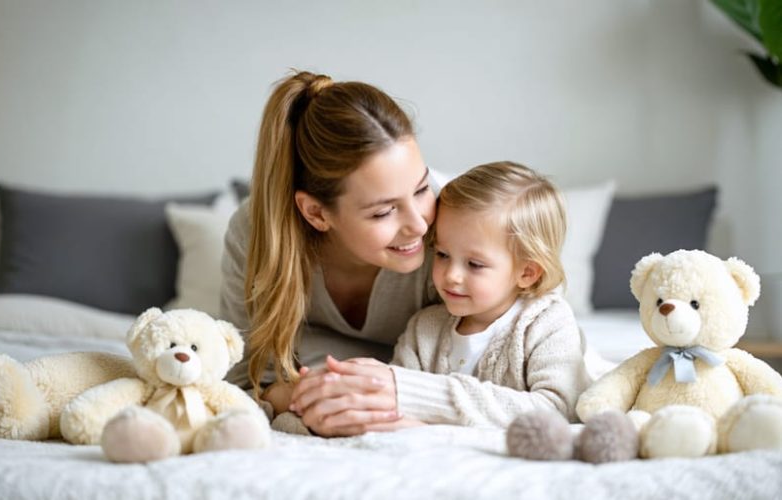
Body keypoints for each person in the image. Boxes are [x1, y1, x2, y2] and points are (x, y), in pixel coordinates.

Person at [292, 161, 591, 430]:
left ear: (527, 273)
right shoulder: (425, 328)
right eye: (444, 254)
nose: (451, 275)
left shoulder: (547, 322)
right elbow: (395, 403)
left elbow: (558, 410)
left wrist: (422, 398)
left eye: (475, 264)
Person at [220, 70, 440, 436]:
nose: (418, 224)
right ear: (316, 213)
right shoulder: (256, 233)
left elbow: (524, 368)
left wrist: (397, 398)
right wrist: (310, 395)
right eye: (384, 211)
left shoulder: (456, 231)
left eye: (421, 189)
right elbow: (241, 380)